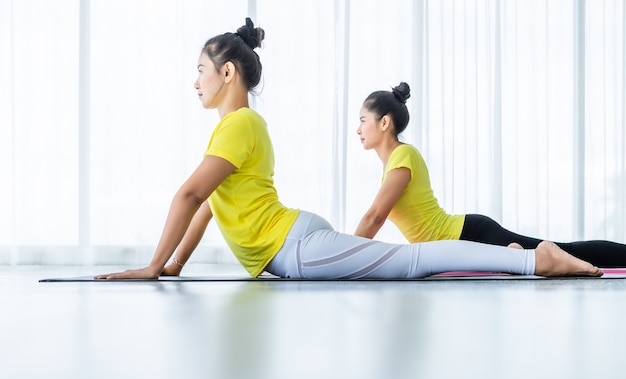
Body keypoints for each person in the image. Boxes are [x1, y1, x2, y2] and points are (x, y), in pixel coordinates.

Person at [96, 19, 602, 281]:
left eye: (199, 71)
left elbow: (187, 195)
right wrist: (173, 263)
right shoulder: (238, 128)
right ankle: (523, 259)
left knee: (411, 264)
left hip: (295, 249)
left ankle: (534, 262)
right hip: (295, 239)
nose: (195, 82)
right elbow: (207, 203)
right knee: (412, 263)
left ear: (226, 72)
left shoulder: (240, 124)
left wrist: (149, 265)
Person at [354, 81, 626, 268]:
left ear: (385, 122)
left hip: (468, 235)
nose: (359, 130)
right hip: (460, 241)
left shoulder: (404, 156)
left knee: (566, 252)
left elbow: (375, 215)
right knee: (562, 252)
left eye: (363, 120)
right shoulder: (394, 162)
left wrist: (345, 256)